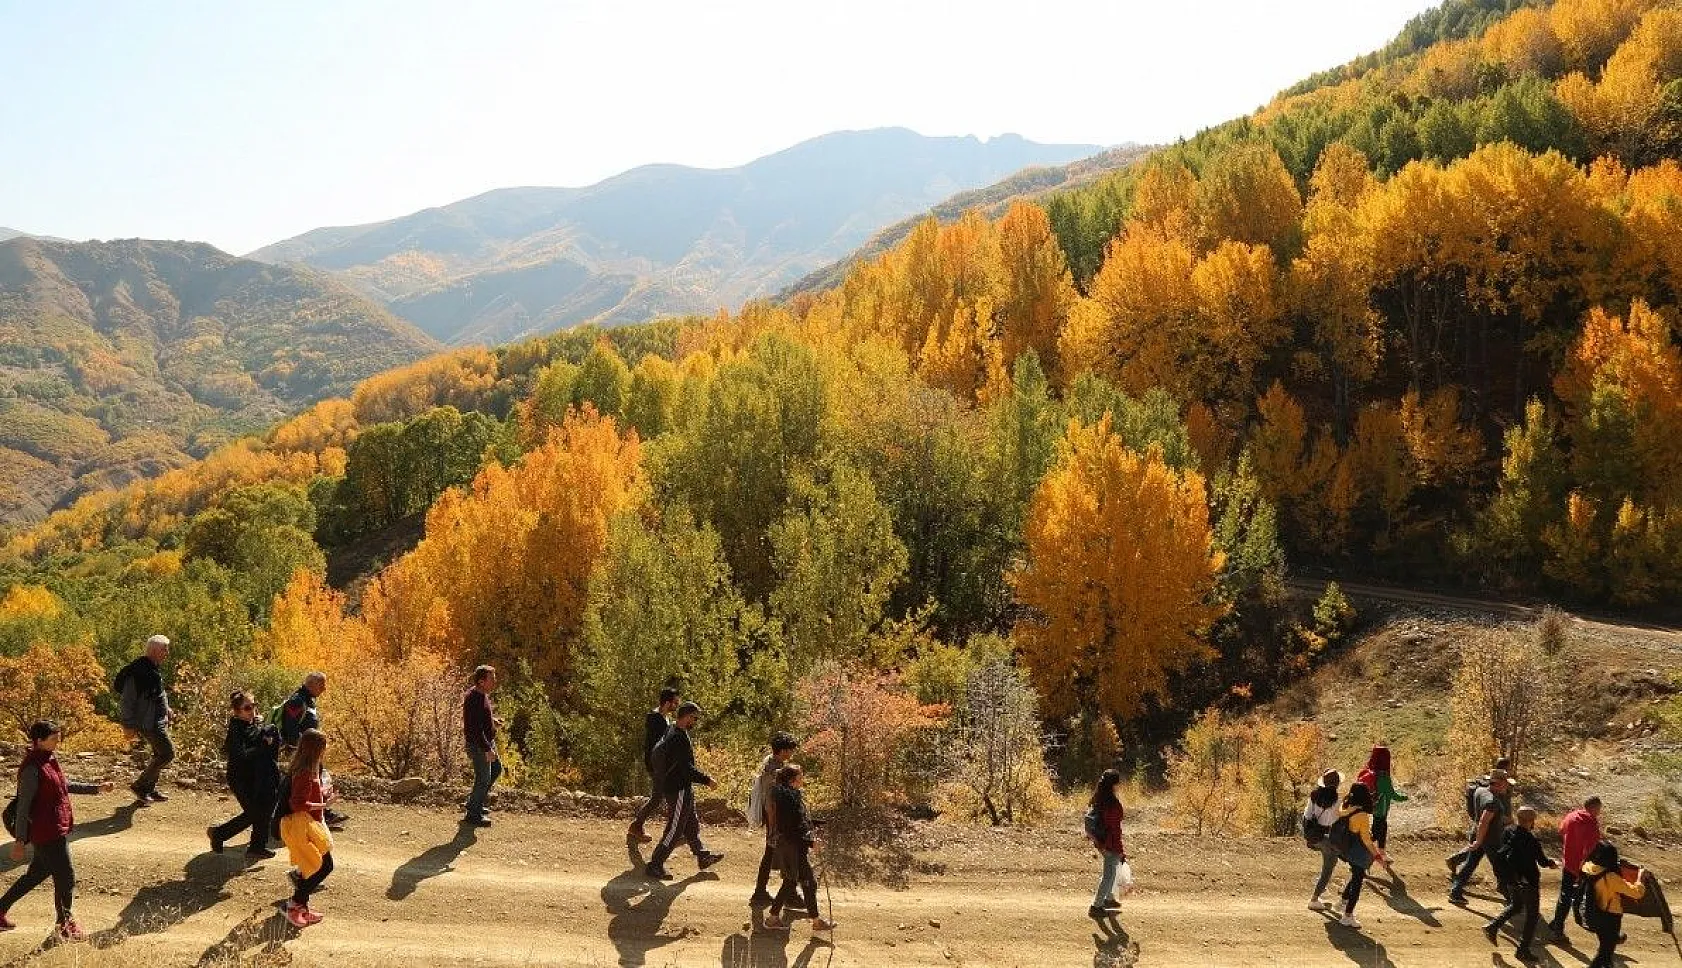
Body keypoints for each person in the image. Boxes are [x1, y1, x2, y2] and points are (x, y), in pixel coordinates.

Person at [0, 722, 114, 940]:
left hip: (55, 827)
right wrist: (20, 841)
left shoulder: (48, 758)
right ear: (39, 741)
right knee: (66, 878)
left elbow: (62, 784)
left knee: (36, 875)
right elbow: (23, 807)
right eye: (53, 739)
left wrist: (96, 789)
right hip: (47, 832)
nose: (57, 742)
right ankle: (65, 926)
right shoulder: (32, 768)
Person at [645, 701, 724, 880]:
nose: (695, 722)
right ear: (687, 716)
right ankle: (655, 864)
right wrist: (707, 780)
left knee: (691, 824)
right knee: (675, 828)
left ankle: (702, 855)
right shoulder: (678, 738)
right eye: (694, 718)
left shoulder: (673, 729)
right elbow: (685, 768)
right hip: (677, 788)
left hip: (682, 787)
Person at [208, 690, 282, 859]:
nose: (252, 710)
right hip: (240, 778)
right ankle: (219, 833)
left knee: (264, 809)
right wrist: (263, 745)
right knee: (254, 813)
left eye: (254, 706)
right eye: (247, 708)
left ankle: (257, 847)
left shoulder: (253, 724)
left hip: (256, 775)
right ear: (237, 711)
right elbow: (242, 755)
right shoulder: (236, 729)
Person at [762, 764, 835, 933]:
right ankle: (814, 921)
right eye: (800, 777)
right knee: (804, 882)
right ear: (792, 780)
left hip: (791, 846)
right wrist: (811, 842)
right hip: (792, 847)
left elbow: (798, 822)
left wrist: (815, 824)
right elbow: (791, 827)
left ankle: (775, 918)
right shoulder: (788, 799)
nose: (802, 780)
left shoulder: (789, 796)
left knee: (793, 881)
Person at [1484, 805, 1556, 960]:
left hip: (1511, 878)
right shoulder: (1531, 840)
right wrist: (1552, 863)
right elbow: (1542, 862)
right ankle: (1523, 950)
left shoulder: (1508, 831)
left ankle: (1493, 926)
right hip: (1528, 882)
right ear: (1531, 821)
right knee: (1532, 916)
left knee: (1516, 905)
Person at [279, 729, 334, 929]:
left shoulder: (310, 768)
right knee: (323, 866)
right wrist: (323, 805)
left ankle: (301, 907)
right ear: (316, 749)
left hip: (311, 825)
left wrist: (322, 794)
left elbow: (306, 795)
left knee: (311, 865)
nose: (325, 751)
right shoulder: (304, 772)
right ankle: (293, 905)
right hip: (304, 827)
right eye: (323, 747)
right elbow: (297, 804)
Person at [114, 634, 175, 804]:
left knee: (158, 754)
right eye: (164, 650)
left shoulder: (152, 669)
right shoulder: (137, 672)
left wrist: (167, 708)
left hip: (157, 720)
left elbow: (159, 692)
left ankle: (149, 789)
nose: (167, 653)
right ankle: (140, 786)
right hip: (149, 723)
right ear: (154, 650)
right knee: (167, 754)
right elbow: (127, 701)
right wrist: (128, 725)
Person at [748, 732, 800, 907]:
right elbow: (770, 801)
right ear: (783, 750)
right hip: (776, 818)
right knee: (784, 853)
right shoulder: (773, 770)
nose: (791, 753)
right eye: (790, 750)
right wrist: (773, 826)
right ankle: (787, 895)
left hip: (776, 818)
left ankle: (762, 892)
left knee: (772, 854)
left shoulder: (772, 763)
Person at [1449, 767, 1515, 904]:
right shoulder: (1492, 802)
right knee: (1500, 867)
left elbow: (1482, 818)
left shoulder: (1480, 791)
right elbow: (1484, 821)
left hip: (1478, 833)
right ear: (1499, 783)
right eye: (1505, 783)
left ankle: (1455, 892)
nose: (1507, 786)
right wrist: (1479, 841)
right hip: (1490, 839)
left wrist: (1478, 839)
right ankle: (1511, 897)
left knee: (1470, 864)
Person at [627, 687, 681, 846]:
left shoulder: (663, 718)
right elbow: (657, 745)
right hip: (658, 765)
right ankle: (675, 831)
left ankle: (638, 826)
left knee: (660, 797)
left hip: (661, 765)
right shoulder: (656, 720)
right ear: (667, 703)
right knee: (663, 797)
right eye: (675, 703)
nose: (676, 706)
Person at [1581, 841, 1646, 968]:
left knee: (1605, 950)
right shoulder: (1610, 877)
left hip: (1595, 913)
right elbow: (1636, 893)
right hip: (1611, 918)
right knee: (1604, 954)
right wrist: (1640, 877)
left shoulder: (1588, 868)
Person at [1332, 782, 1385, 930]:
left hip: (1345, 847)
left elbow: (1340, 813)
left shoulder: (1345, 806)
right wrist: (1378, 857)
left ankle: (1342, 902)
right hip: (1358, 851)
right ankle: (1347, 916)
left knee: (1357, 875)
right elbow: (1366, 841)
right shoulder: (1362, 816)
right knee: (1357, 882)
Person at [1550, 796, 1604, 939]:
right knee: (1569, 896)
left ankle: (1556, 922)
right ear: (1594, 808)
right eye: (1599, 809)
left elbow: (1561, 830)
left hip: (1568, 860)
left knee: (1566, 893)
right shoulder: (1591, 823)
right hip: (1581, 865)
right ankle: (1558, 929)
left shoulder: (1571, 816)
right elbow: (1592, 847)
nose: (1599, 812)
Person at [462, 665, 501, 828]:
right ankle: (473, 814)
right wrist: (487, 749)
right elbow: (475, 730)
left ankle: (474, 803)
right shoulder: (474, 699)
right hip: (479, 745)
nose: (494, 681)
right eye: (492, 678)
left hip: (485, 742)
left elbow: (481, 718)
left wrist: (492, 721)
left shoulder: (481, 694)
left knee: (496, 769)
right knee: (483, 779)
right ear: (481, 682)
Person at [1086, 768, 1127, 920]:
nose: (1119, 786)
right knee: (1108, 875)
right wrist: (1120, 850)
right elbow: (1115, 830)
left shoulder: (1099, 799)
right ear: (1113, 785)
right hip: (1110, 844)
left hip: (1101, 842)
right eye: (1117, 783)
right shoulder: (1112, 804)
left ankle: (1108, 898)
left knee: (1111, 871)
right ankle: (1096, 906)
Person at [1358, 746, 1407, 869]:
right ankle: (1360, 856)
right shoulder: (1384, 778)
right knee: (1376, 833)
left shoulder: (1370, 773)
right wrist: (1404, 797)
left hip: (1373, 808)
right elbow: (1392, 795)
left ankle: (1382, 853)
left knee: (1380, 829)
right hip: (1382, 810)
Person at [1306, 770, 1343, 912]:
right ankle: (1314, 899)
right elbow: (1336, 820)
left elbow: (1307, 815)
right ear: (1337, 784)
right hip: (1327, 836)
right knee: (1329, 866)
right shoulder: (1337, 800)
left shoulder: (1314, 796)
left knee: (1328, 864)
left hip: (1314, 835)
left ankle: (1320, 889)